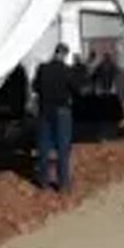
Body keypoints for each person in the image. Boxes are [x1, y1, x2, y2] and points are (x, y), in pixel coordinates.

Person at [33, 43, 82, 192]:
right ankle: (63, 183)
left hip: (45, 110)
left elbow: (35, 87)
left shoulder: (42, 68)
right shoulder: (67, 70)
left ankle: (44, 182)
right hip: (62, 111)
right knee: (63, 146)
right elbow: (77, 89)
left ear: (55, 52)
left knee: (44, 146)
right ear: (64, 54)